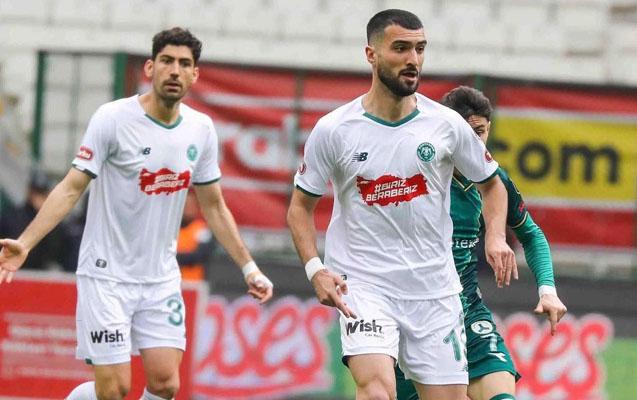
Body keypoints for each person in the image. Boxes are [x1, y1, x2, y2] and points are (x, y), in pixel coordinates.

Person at [0, 27, 273, 400]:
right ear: (150, 68)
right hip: (106, 275)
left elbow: (213, 205)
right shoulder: (113, 118)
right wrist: (26, 242)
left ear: (195, 74)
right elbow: (71, 187)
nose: (174, 70)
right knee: (114, 390)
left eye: (184, 64)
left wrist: (249, 268)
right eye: (167, 61)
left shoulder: (201, 129)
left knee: (166, 384)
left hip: (160, 277)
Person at [287, 10, 516, 400]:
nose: (413, 59)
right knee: (377, 391)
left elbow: (493, 185)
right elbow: (299, 208)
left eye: (420, 49)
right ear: (371, 54)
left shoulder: (446, 124)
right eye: (400, 49)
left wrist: (495, 236)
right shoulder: (335, 129)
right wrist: (316, 270)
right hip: (364, 285)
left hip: (434, 291)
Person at [395, 86, 568, 400]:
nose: (474, 142)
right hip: (413, 318)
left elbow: (532, 235)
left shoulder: (494, 179)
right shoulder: (416, 175)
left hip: (468, 312)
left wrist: (548, 291)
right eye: (466, 133)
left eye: (480, 132)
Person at [0, 170, 64, 270]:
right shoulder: (12, 217)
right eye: (37, 193)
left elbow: (57, 251)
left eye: (43, 194)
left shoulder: (53, 222)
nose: (40, 198)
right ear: (30, 192)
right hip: (12, 270)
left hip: (41, 274)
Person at [177, 189, 215, 281]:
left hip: (194, 283)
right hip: (170, 282)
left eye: (191, 205)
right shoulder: (170, 229)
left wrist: (172, 257)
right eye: (185, 205)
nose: (187, 209)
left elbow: (200, 256)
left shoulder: (202, 229)